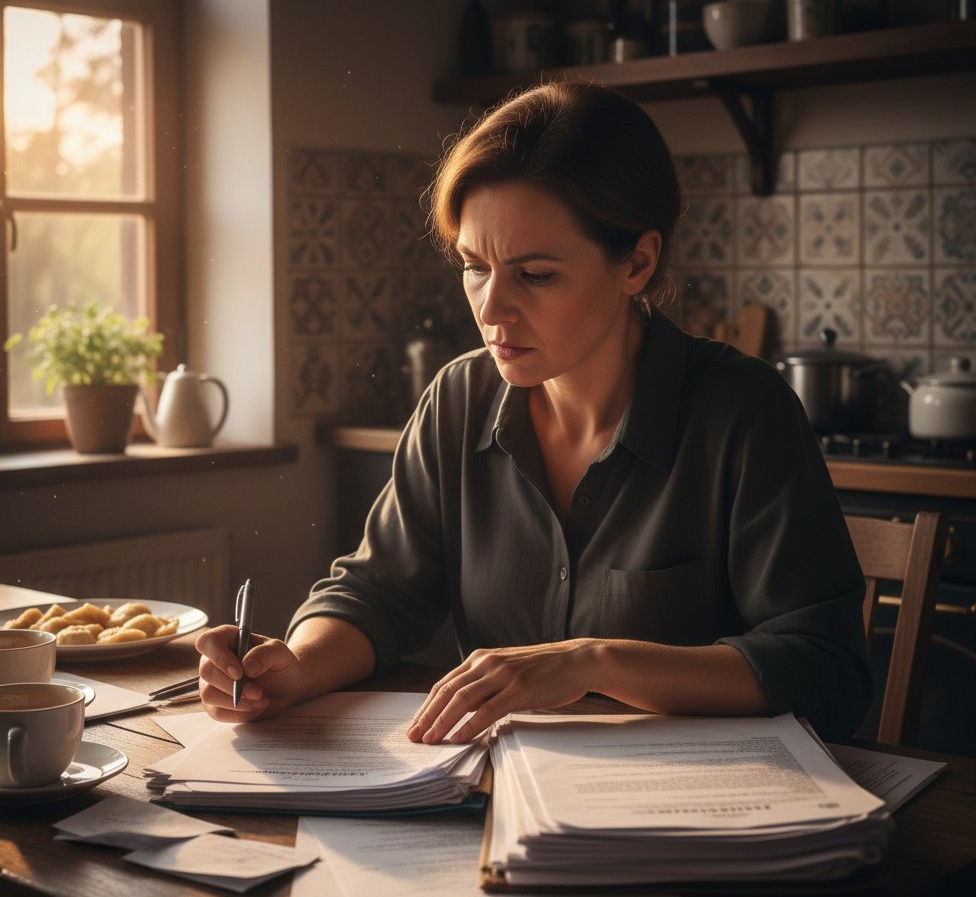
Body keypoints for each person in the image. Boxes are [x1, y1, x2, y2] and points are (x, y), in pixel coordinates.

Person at [195, 82, 870, 744]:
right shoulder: (457, 401)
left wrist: (592, 661)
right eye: (474, 267)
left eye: (535, 274)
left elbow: (825, 671)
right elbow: (378, 595)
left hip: (691, 825)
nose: (491, 309)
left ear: (637, 261)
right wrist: (297, 667)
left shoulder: (744, 414)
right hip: (488, 812)